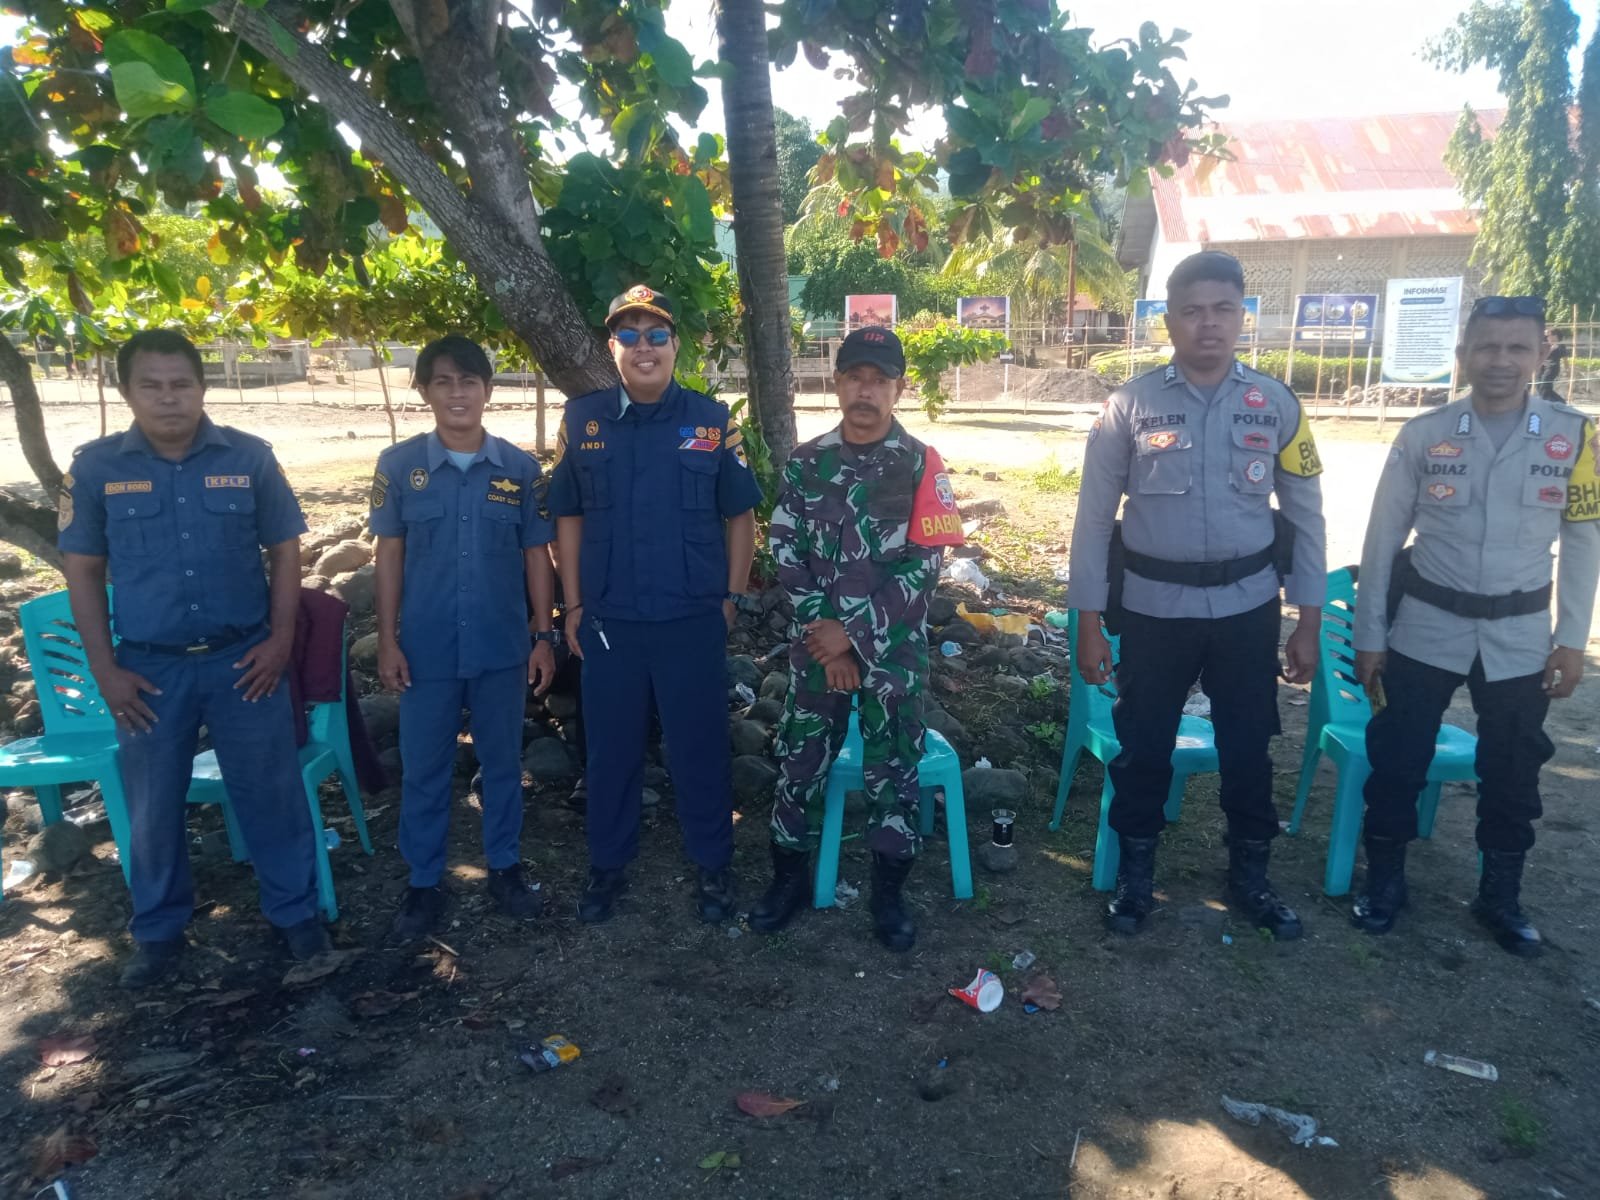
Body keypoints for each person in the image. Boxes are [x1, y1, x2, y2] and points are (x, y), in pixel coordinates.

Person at [1067, 250, 1327, 940]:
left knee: (1249, 744)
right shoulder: (1128, 407)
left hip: (1247, 608)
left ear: (1241, 316)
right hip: (1154, 610)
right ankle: (1136, 877)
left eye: (1222, 309)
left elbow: (1306, 517)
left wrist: (1308, 619)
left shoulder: (1277, 405)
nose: (1208, 324)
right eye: (1192, 311)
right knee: (1143, 745)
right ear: (1169, 320)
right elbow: (1093, 520)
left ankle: (1250, 877)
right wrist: (1088, 621)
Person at [58, 329, 327, 988]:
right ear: (126, 391)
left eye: (181, 384)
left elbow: (285, 550)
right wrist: (105, 670)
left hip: (245, 661)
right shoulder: (94, 469)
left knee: (271, 792)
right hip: (149, 671)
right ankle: (158, 930)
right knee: (152, 804)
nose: (168, 398)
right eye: (151, 385)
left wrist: (280, 640)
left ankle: (296, 915)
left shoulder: (250, 458)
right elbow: (82, 571)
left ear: (203, 388)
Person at [1351, 295, 1600, 957]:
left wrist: (1571, 639)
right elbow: (1381, 543)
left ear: (1542, 353)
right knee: (1398, 759)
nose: (1501, 361)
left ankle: (1500, 896)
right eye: (1487, 346)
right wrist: (1370, 635)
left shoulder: (1575, 437)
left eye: (1518, 347)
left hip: (1520, 637)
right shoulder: (1423, 435)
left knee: (1513, 770)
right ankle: (1385, 882)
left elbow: (1584, 539)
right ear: (1462, 355)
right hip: (1426, 627)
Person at [548, 285, 762, 924]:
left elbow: (741, 516)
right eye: (629, 335)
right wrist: (573, 605)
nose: (644, 347)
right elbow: (567, 517)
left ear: (675, 345)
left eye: (657, 334)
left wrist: (731, 596)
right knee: (610, 750)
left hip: (690, 617)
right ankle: (607, 865)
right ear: (612, 346)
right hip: (610, 620)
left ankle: (714, 865)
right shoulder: (581, 422)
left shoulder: (712, 421)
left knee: (700, 746)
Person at [750, 327, 961, 951]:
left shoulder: (922, 464)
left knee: (893, 769)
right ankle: (787, 880)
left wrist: (854, 637)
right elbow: (785, 549)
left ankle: (888, 895)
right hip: (817, 649)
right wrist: (827, 634)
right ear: (837, 382)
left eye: (879, 379)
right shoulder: (804, 462)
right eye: (855, 377)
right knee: (800, 762)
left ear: (899, 388)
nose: (866, 390)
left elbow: (924, 568)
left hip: (891, 656)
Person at [370, 335, 558, 940]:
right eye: (444, 382)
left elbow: (537, 555)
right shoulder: (399, 467)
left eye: (469, 381)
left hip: (502, 648)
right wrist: (387, 639)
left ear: (487, 391)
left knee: (502, 762)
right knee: (425, 768)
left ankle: (504, 866)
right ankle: (424, 880)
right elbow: (389, 555)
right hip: (425, 651)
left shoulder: (519, 469)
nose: (458, 393)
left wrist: (543, 634)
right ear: (425, 391)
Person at [1536, 328, 1569, 401]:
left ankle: (1559, 402)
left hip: (1552, 367)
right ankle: (1557, 402)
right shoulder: (1545, 344)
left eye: (1548, 336)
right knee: (1538, 385)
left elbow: (1565, 359)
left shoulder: (1560, 345)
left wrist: (1567, 370)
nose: (1546, 338)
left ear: (1555, 336)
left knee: (1544, 385)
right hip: (1542, 367)